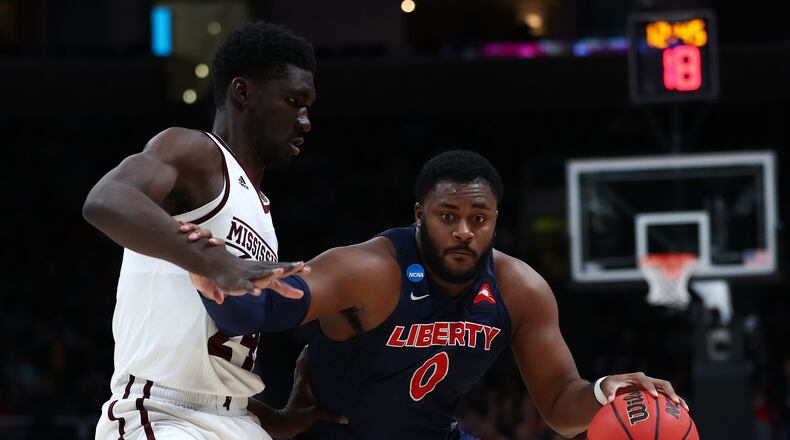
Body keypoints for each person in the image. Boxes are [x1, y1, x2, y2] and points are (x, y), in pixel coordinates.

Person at [189, 150, 689, 439]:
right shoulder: (367, 269)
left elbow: (560, 404)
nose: (464, 231)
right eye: (447, 216)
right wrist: (204, 264)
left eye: (479, 218)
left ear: (495, 219)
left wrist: (606, 392)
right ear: (419, 214)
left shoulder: (520, 289)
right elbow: (260, 309)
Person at [84, 21, 340, 440]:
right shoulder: (195, 151)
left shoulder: (261, 211)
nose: (306, 121)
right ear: (243, 92)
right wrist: (212, 261)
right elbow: (105, 199)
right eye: (295, 102)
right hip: (162, 416)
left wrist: (270, 418)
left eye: (309, 107)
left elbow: (211, 355)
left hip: (236, 421)